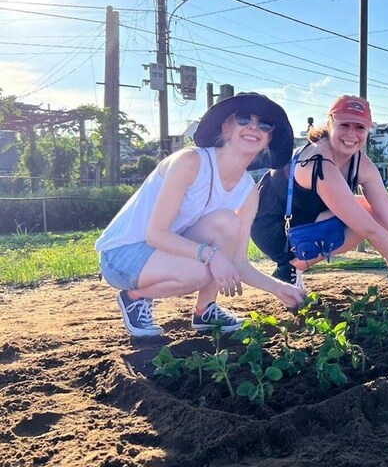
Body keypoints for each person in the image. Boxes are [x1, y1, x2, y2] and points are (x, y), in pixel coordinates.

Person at [96, 93, 307, 337]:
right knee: (201, 271)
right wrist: (210, 255)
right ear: (226, 129)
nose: (253, 126)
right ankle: (135, 297)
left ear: (269, 139)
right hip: (123, 254)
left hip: (168, 251)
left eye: (264, 124)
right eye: (243, 119)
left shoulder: (248, 190)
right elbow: (156, 234)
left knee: (228, 222)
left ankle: (205, 310)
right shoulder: (191, 161)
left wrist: (280, 288)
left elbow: (237, 262)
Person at [251, 95, 388, 298]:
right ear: (330, 123)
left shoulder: (361, 163)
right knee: (364, 217)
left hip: (306, 220)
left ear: (368, 130)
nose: (351, 134)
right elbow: (369, 229)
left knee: (372, 209)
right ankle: (290, 268)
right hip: (274, 229)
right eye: (344, 125)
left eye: (360, 127)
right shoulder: (318, 162)